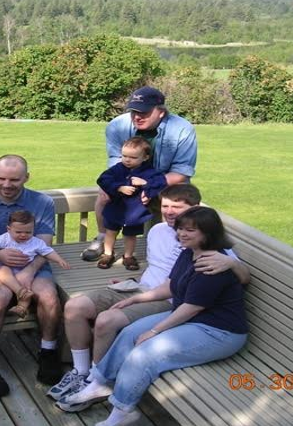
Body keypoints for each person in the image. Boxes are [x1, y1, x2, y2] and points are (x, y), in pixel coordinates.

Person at [47, 184, 250, 402]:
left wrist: (232, 263)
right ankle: (81, 372)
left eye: (177, 207)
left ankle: (96, 381)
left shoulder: (206, 245)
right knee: (75, 306)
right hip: (139, 287)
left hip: (169, 301)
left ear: (195, 208)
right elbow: (158, 268)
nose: (169, 212)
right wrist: (132, 285)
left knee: (106, 321)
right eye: (165, 206)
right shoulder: (158, 231)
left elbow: (241, 278)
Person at [0, 154, 64, 396]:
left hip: (33, 264)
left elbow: (44, 245)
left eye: (14, 180)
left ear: (27, 177)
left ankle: (48, 351)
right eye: (1, 178)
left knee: (49, 295)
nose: (7, 185)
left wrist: (30, 270)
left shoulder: (42, 202)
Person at [82, 86, 198, 262]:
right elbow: (116, 161)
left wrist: (150, 186)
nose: (137, 117)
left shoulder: (182, 129)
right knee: (105, 194)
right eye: (133, 111)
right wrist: (119, 186)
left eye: (144, 112)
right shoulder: (117, 126)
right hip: (128, 177)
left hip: (166, 180)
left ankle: (175, 245)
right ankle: (102, 237)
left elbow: (181, 172)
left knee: (175, 201)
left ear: (161, 112)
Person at [95, 136, 167, 271]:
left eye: (133, 157)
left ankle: (128, 256)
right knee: (111, 232)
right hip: (115, 208)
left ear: (145, 157)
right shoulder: (117, 169)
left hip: (136, 211)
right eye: (124, 156)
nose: (127, 160)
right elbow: (103, 179)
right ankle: (108, 254)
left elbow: (161, 183)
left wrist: (145, 183)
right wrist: (118, 187)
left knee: (130, 235)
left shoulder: (149, 172)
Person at [0, 210, 71, 318]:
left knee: (26, 281)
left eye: (28, 232)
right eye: (18, 232)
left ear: (33, 230)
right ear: (9, 229)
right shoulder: (4, 238)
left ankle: (21, 307)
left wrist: (59, 259)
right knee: (1, 270)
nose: (23, 235)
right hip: (7, 268)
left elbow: (48, 251)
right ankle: (20, 291)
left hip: (25, 269)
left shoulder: (36, 242)